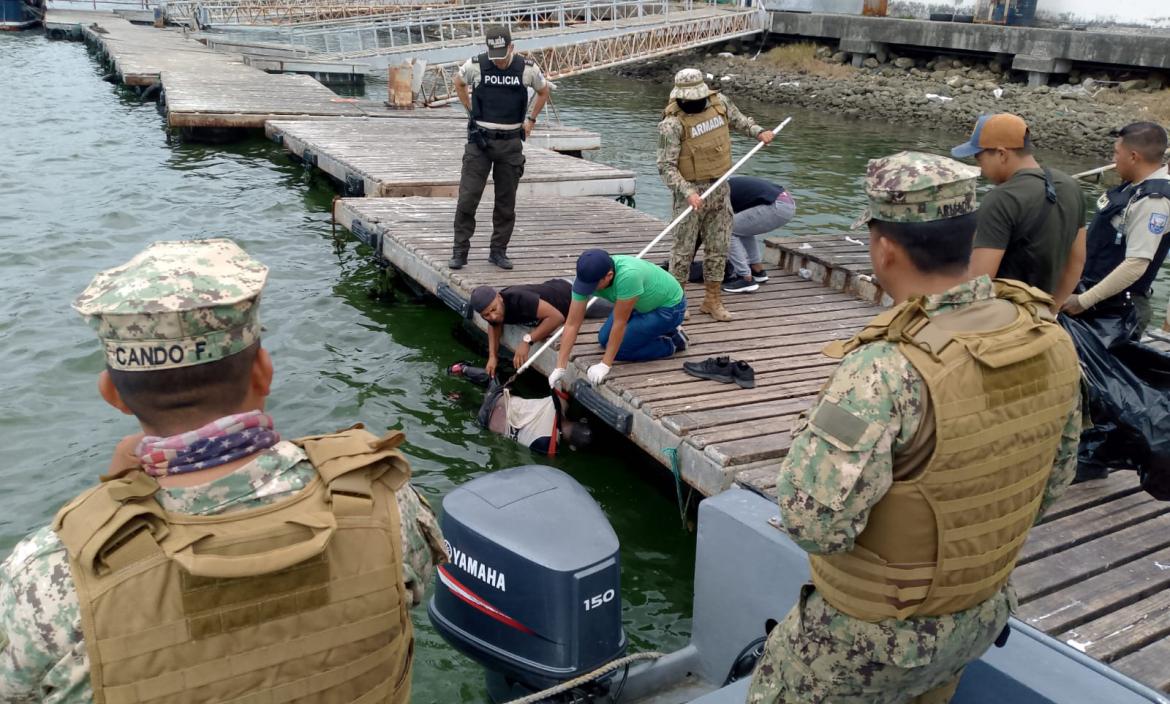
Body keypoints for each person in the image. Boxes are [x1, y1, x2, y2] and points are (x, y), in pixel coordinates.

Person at [0, 239, 446, 703]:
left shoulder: (51, 573)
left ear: (111, 393)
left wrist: (118, 496)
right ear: (263, 372)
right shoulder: (382, 502)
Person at [747, 152, 1082, 704]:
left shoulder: (885, 368)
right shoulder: (1046, 334)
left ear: (885, 247)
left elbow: (813, 525)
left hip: (871, 642)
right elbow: (1054, 480)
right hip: (976, 616)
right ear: (969, 236)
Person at [657, 67, 774, 321]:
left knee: (718, 247)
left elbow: (739, 119)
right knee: (682, 251)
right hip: (689, 194)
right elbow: (665, 166)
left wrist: (758, 132)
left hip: (720, 187)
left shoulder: (719, 104)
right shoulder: (672, 124)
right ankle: (677, 302)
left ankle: (712, 300)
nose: (694, 103)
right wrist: (687, 191)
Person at [951, 113, 1086, 309]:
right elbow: (1077, 262)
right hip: (1042, 320)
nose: (980, 168)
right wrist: (1051, 311)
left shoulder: (1001, 199)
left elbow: (979, 284)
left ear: (1002, 154)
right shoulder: (1070, 186)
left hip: (1003, 320)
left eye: (979, 158)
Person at [450, 24, 551, 271]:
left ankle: (498, 251)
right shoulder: (476, 65)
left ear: (512, 48)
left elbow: (544, 90)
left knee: (506, 203)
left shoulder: (526, 69)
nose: (499, 61)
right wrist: (470, 112)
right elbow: (458, 82)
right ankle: (460, 252)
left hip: (510, 143)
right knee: (467, 199)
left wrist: (531, 120)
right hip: (480, 143)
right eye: (494, 55)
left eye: (503, 55)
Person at [1063, 121, 1170, 336]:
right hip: (1098, 302)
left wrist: (1083, 301)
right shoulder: (1132, 188)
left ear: (1133, 156)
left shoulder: (1153, 201)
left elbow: (1136, 264)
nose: (1113, 159)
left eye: (1116, 153)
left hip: (1116, 314)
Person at [548, 249, 687, 388]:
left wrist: (605, 364)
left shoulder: (628, 277)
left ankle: (673, 342)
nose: (587, 290)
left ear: (609, 275)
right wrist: (560, 367)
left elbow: (620, 323)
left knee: (620, 351)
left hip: (668, 309)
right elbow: (572, 323)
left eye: (592, 286)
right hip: (639, 303)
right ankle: (655, 330)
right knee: (603, 339)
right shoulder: (586, 279)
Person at [467, 280, 612, 378]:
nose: (493, 316)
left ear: (499, 297)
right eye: (486, 315)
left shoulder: (519, 299)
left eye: (494, 309)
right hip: (553, 287)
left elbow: (557, 318)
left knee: (617, 305)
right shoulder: (494, 314)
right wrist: (493, 356)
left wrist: (527, 341)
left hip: (572, 296)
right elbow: (494, 327)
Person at [449, 362, 592, 456]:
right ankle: (457, 398)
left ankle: (462, 369)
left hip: (496, 399)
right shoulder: (547, 446)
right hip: (486, 422)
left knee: (496, 376)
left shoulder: (559, 404)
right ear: (572, 446)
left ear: (578, 421)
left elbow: (562, 384)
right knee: (473, 409)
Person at [722, 175, 797, 293]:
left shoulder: (719, 190)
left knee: (726, 230)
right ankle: (757, 270)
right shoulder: (731, 181)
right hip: (787, 203)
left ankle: (745, 278)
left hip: (776, 206)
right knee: (741, 229)